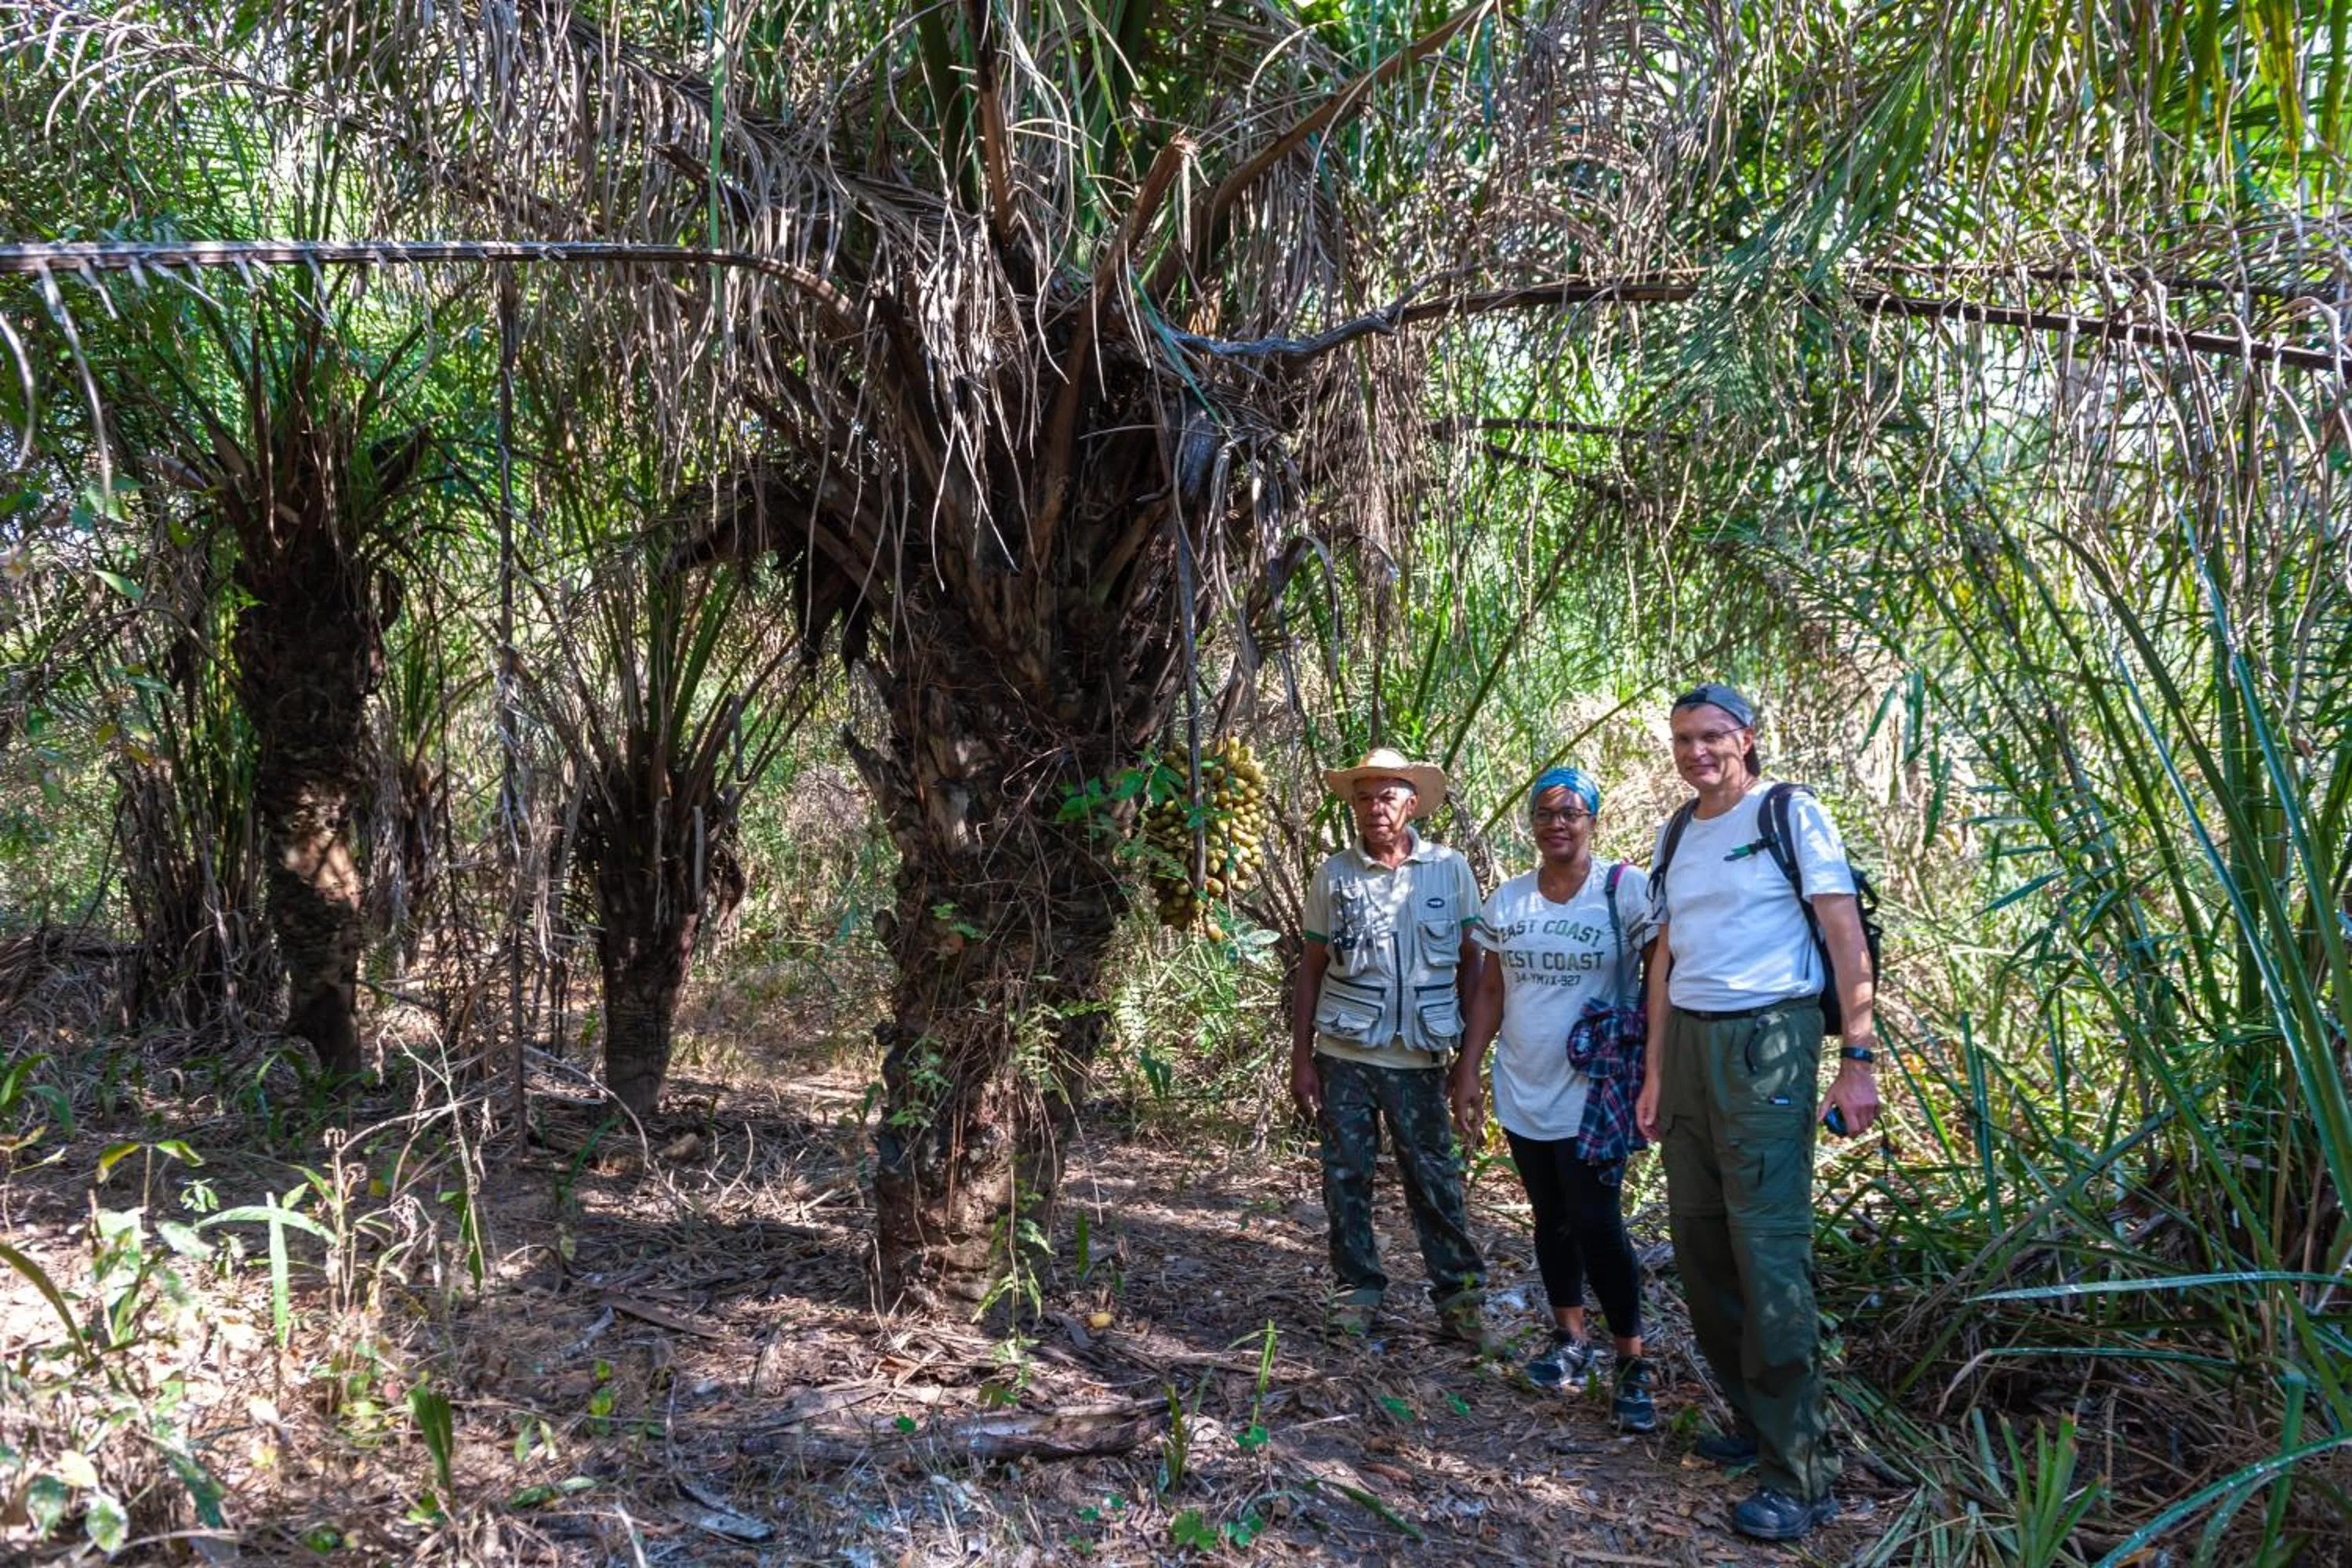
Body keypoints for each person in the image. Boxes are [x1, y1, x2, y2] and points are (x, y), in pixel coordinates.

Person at [1634, 684, 1880, 1541]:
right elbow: (1665, 954)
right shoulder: (1680, 830)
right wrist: (1655, 1070)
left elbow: (1841, 928)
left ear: (1746, 737)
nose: (1695, 751)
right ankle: (1754, 1419)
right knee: (1701, 1247)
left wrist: (1857, 1056)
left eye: (1711, 736)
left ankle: (1802, 1471)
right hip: (1692, 1050)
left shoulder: (1789, 812)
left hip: (1767, 1043)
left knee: (1768, 1251)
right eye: (1681, 739)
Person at [1452, 766, 1657, 1432]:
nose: (1557, 823)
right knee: (1550, 1217)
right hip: (1523, 1081)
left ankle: (1632, 1360)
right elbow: (1489, 990)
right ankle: (1571, 1340)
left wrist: (1658, 1072)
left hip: (1595, 1091)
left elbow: (1662, 979)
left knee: (1598, 1220)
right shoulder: (1508, 901)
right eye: (1545, 813)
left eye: (1571, 812)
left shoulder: (1623, 893)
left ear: (1593, 819)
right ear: (1532, 824)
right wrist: (1468, 1071)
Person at [1289, 747, 1489, 1345]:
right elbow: (1312, 967)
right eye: (1364, 798)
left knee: (1434, 1180)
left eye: (1387, 796)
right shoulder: (1335, 875)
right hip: (1346, 1055)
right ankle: (1357, 1294)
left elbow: (1472, 962)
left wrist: (1469, 1060)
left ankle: (1461, 1303)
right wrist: (1301, 1059)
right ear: (1354, 808)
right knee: (1346, 1178)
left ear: (1412, 802)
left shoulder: (1449, 870)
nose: (1375, 808)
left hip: (1422, 1058)